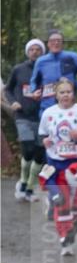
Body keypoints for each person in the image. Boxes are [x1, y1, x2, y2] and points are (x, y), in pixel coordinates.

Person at [37, 78, 77, 256]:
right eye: (62, 92)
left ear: (73, 94)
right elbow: (42, 135)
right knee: (62, 201)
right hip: (57, 162)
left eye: (68, 92)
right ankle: (64, 238)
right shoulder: (49, 113)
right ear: (56, 95)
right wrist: (44, 141)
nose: (65, 95)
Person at [4, 38, 46, 202]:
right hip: (23, 116)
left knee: (39, 154)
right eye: (31, 49)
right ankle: (22, 181)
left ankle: (29, 188)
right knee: (28, 148)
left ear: (42, 52)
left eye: (38, 49)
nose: (34, 52)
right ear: (27, 52)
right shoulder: (19, 69)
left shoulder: (47, 69)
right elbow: (7, 90)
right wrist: (13, 102)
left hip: (43, 118)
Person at [29, 30, 77, 115]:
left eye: (59, 41)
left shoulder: (73, 57)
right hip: (47, 108)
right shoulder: (41, 61)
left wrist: (72, 85)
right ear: (48, 43)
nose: (56, 43)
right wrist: (34, 91)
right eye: (52, 41)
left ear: (63, 44)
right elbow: (33, 81)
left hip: (69, 108)